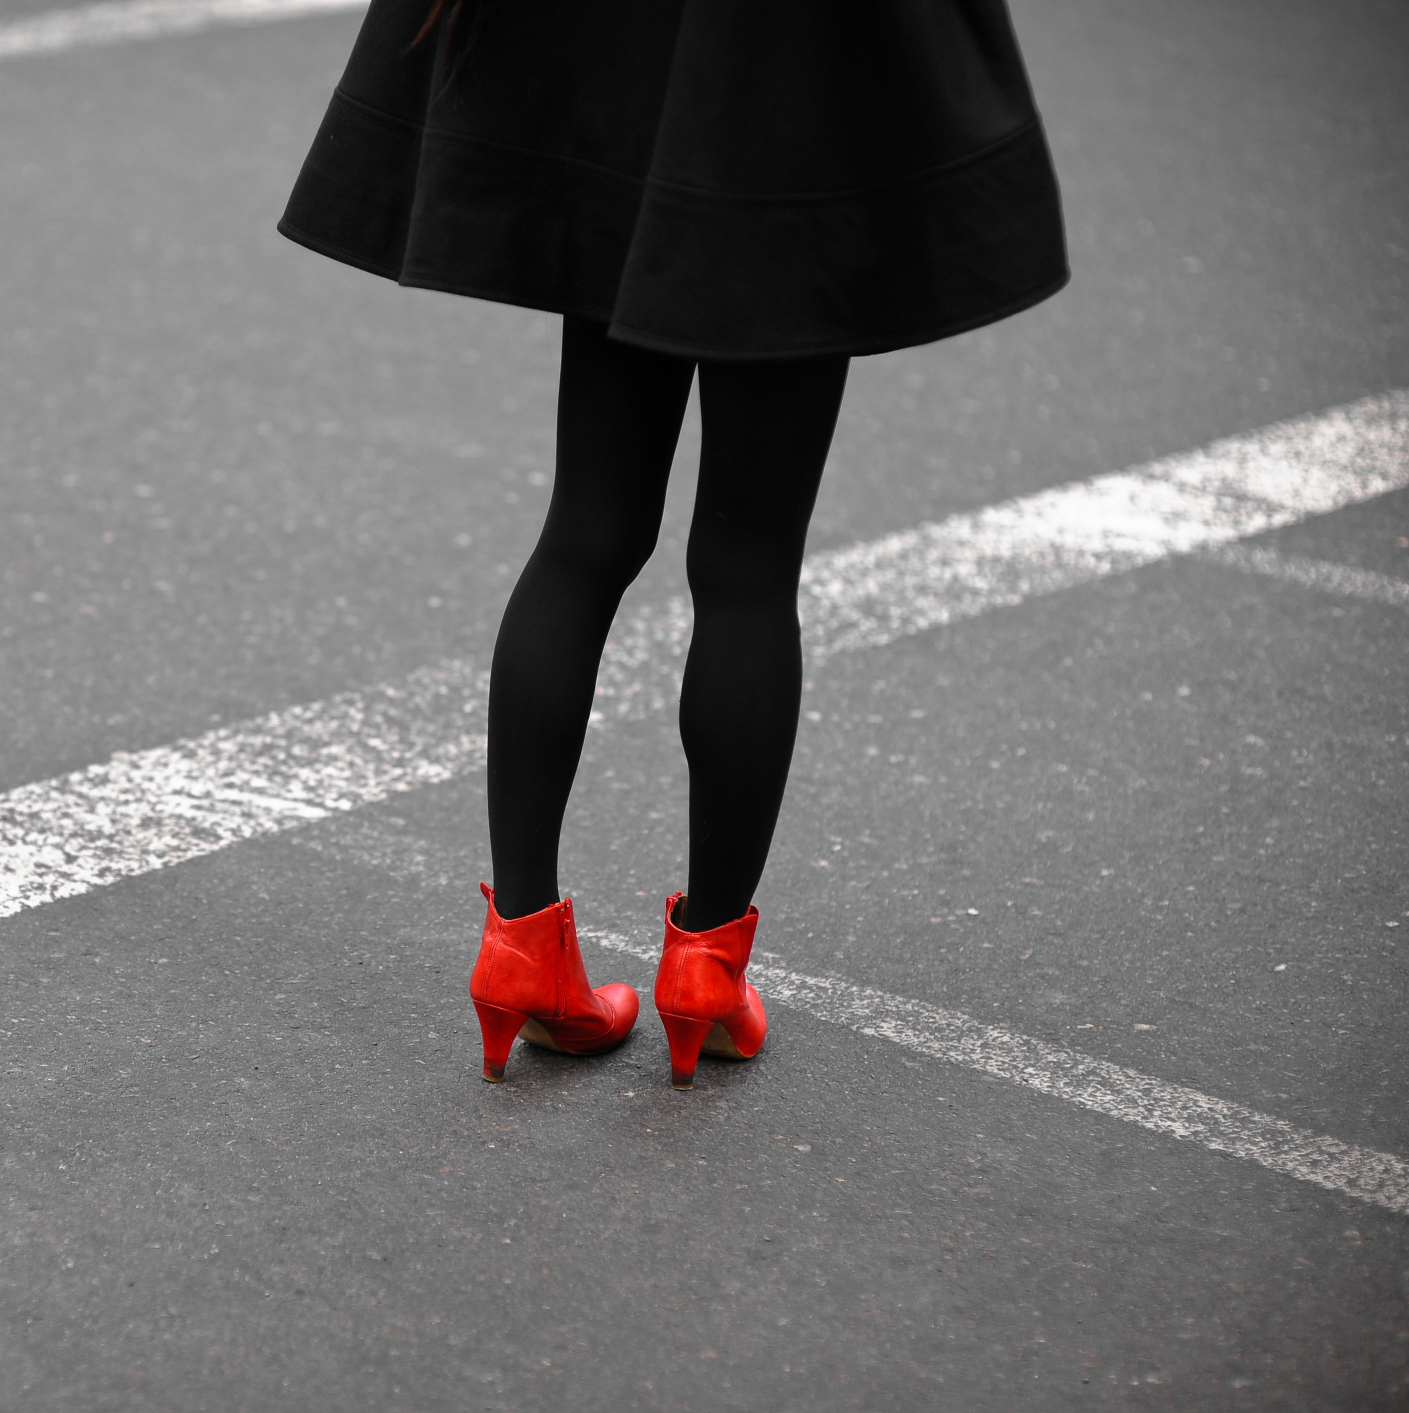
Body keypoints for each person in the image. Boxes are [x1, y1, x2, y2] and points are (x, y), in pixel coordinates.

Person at [278, 0, 1067, 1088]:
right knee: (747, 572)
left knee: (587, 534)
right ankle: (707, 967)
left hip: (632, 104)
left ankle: (521, 948)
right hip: (786, 126)